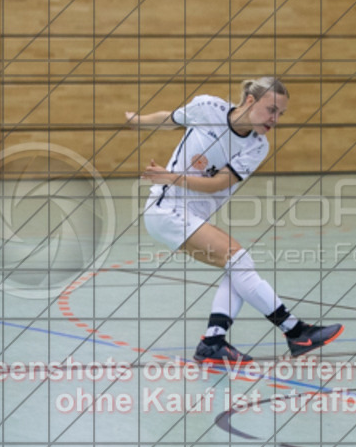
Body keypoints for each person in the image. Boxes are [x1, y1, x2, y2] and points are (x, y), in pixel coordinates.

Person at [126, 77, 343, 363]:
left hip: (187, 214)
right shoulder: (207, 107)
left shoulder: (257, 146)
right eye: (271, 110)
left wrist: (171, 175)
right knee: (238, 261)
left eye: (280, 114)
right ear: (251, 101)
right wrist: (136, 120)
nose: (275, 119)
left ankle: (214, 341)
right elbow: (170, 118)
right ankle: (295, 331)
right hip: (167, 209)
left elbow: (218, 183)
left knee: (238, 265)